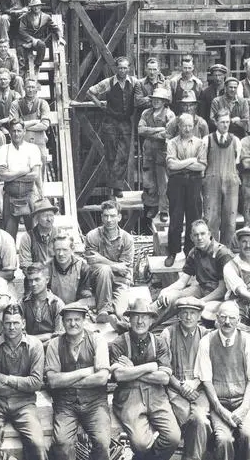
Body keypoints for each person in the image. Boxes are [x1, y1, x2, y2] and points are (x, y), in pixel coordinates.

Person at [109, 298, 181, 460]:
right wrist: (150, 366)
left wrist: (132, 370)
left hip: (157, 395)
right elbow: (119, 375)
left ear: (151, 320)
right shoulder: (119, 343)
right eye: (136, 316)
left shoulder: (159, 342)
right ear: (129, 319)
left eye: (144, 317)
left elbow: (164, 378)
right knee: (141, 443)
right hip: (129, 396)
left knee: (173, 438)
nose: (140, 321)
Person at [195, 300, 250, 460]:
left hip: (243, 402)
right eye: (223, 317)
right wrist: (220, 409)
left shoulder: (248, 341)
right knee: (223, 440)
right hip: (219, 403)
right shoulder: (206, 342)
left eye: (232, 318)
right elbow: (206, 381)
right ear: (217, 318)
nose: (227, 322)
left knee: (248, 435)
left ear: (239, 320)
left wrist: (244, 408)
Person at [0, 303, 48, 460]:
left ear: (23, 323)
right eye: (8, 323)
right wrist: (24, 386)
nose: (11, 327)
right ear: (2, 324)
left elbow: (36, 383)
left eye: (16, 323)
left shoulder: (35, 346)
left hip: (24, 404)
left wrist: (5, 378)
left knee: (37, 444)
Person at [44, 302, 111, 460]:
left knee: (102, 442)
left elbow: (102, 378)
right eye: (68, 320)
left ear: (84, 320)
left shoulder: (97, 340)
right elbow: (53, 381)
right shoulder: (55, 344)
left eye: (77, 319)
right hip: (65, 404)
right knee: (61, 443)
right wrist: (86, 371)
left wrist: (65, 380)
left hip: (95, 403)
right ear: (63, 322)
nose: (73, 324)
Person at [158, 297, 210, 460]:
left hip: (199, 389)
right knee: (187, 417)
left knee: (200, 419)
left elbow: (210, 366)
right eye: (184, 313)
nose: (188, 317)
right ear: (178, 315)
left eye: (193, 313)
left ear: (199, 316)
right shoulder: (168, 334)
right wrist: (181, 387)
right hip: (174, 389)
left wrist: (195, 383)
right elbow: (164, 368)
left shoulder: (206, 335)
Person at [153, 220, 231, 325]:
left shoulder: (222, 253)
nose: (199, 238)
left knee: (198, 311)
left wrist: (199, 301)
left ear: (209, 234)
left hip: (220, 297)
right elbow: (182, 282)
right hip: (202, 289)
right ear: (191, 237)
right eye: (196, 235)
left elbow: (222, 290)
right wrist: (165, 290)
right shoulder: (194, 252)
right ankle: (144, 319)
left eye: (202, 234)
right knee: (172, 297)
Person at [87, 56, 139, 198]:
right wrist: (99, 104)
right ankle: (115, 187)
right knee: (111, 154)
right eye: (120, 68)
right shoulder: (108, 82)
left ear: (129, 68)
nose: (122, 70)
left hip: (125, 121)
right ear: (116, 68)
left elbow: (143, 92)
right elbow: (90, 92)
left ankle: (115, 185)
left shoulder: (134, 82)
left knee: (123, 154)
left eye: (125, 68)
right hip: (110, 121)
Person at [165, 113, 206, 267]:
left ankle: (191, 252)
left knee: (193, 217)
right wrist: (190, 161)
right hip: (176, 183)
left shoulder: (200, 143)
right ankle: (172, 252)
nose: (187, 129)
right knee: (175, 218)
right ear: (179, 126)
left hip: (194, 182)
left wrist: (180, 164)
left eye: (190, 126)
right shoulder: (172, 143)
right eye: (184, 126)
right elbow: (171, 165)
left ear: (194, 126)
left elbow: (201, 166)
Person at [83, 200, 134, 325]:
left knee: (121, 313)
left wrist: (101, 259)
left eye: (112, 216)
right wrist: (115, 266)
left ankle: (119, 322)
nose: (109, 220)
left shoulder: (127, 238)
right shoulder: (92, 236)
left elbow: (124, 269)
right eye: (106, 216)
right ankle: (103, 310)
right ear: (101, 217)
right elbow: (92, 263)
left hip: (119, 281)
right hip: (98, 280)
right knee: (104, 270)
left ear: (119, 217)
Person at [0, 119, 43, 239]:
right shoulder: (3, 150)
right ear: (10, 132)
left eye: (19, 131)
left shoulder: (32, 148)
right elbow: (2, 176)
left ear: (24, 131)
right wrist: (24, 171)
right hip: (10, 196)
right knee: (8, 237)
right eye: (13, 131)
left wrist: (11, 176)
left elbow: (35, 175)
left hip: (29, 195)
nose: (16, 134)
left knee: (35, 234)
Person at [202, 110, 242, 244]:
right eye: (222, 122)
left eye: (227, 122)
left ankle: (226, 251)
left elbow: (237, 162)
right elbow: (203, 162)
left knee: (230, 221)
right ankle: (212, 249)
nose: (225, 125)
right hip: (212, 181)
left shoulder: (236, 141)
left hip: (231, 181)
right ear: (216, 122)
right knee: (211, 219)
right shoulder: (207, 140)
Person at [138, 87, 175, 221]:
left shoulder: (169, 115)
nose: (156, 102)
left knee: (163, 181)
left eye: (159, 99)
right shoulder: (146, 113)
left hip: (162, 151)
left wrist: (150, 133)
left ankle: (164, 209)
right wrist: (158, 129)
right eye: (154, 99)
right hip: (148, 151)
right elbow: (140, 130)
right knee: (149, 180)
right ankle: (152, 206)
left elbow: (168, 133)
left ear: (164, 101)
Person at [17, 0, 62, 74]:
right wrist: (32, 40)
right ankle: (23, 72)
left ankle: (37, 66)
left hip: (39, 40)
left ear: (40, 6)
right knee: (20, 50)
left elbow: (55, 28)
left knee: (42, 45)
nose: (36, 8)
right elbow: (21, 30)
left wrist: (60, 37)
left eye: (37, 6)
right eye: (34, 6)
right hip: (26, 40)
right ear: (31, 7)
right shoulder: (25, 17)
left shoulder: (46, 17)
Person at [45, 236, 95, 306]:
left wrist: (75, 305)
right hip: (53, 307)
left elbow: (87, 297)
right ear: (53, 250)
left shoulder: (83, 268)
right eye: (58, 250)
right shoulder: (47, 268)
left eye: (65, 250)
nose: (61, 254)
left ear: (72, 249)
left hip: (76, 308)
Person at [20, 264, 63, 345]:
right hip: (28, 347)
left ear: (47, 280)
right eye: (30, 280)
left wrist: (39, 344)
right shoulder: (23, 303)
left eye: (37, 279)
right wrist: (48, 335)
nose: (33, 284)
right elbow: (19, 336)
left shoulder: (57, 303)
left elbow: (59, 336)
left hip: (51, 347)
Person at [18, 199, 62, 267]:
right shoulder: (27, 238)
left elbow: (68, 260)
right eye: (45, 216)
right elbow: (25, 265)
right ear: (36, 218)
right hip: (37, 273)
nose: (49, 219)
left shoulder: (61, 234)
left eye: (51, 215)